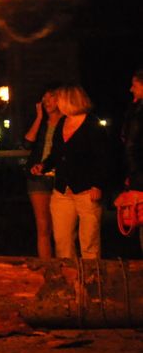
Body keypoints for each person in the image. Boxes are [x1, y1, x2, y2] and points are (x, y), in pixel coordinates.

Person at [35, 84, 109, 260]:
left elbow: (103, 157)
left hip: (86, 190)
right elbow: (57, 152)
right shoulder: (62, 122)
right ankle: (69, 280)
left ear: (70, 100)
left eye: (59, 99)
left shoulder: (92, 124)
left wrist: (97, 184)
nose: (57, 102)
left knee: (89, 242)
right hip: (62, 189)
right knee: (63, 241)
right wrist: (44, 165)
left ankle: (91, 280)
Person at [23, 87, 63, 259]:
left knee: (61, 227)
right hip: (38, 177)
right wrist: (39, 117)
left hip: (61, 176)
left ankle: (65, 264)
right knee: (43, 226)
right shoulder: (41, 123)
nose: (47, 101)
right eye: (44, 97)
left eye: (51, 97)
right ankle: (46, 267)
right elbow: (27, 143)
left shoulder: (68, 122)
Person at [124, 69, 143, 253]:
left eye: (135, 85)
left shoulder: (138, 114)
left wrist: (134, 173)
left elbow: (132, 145)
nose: (131, 89)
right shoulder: (135, 110)